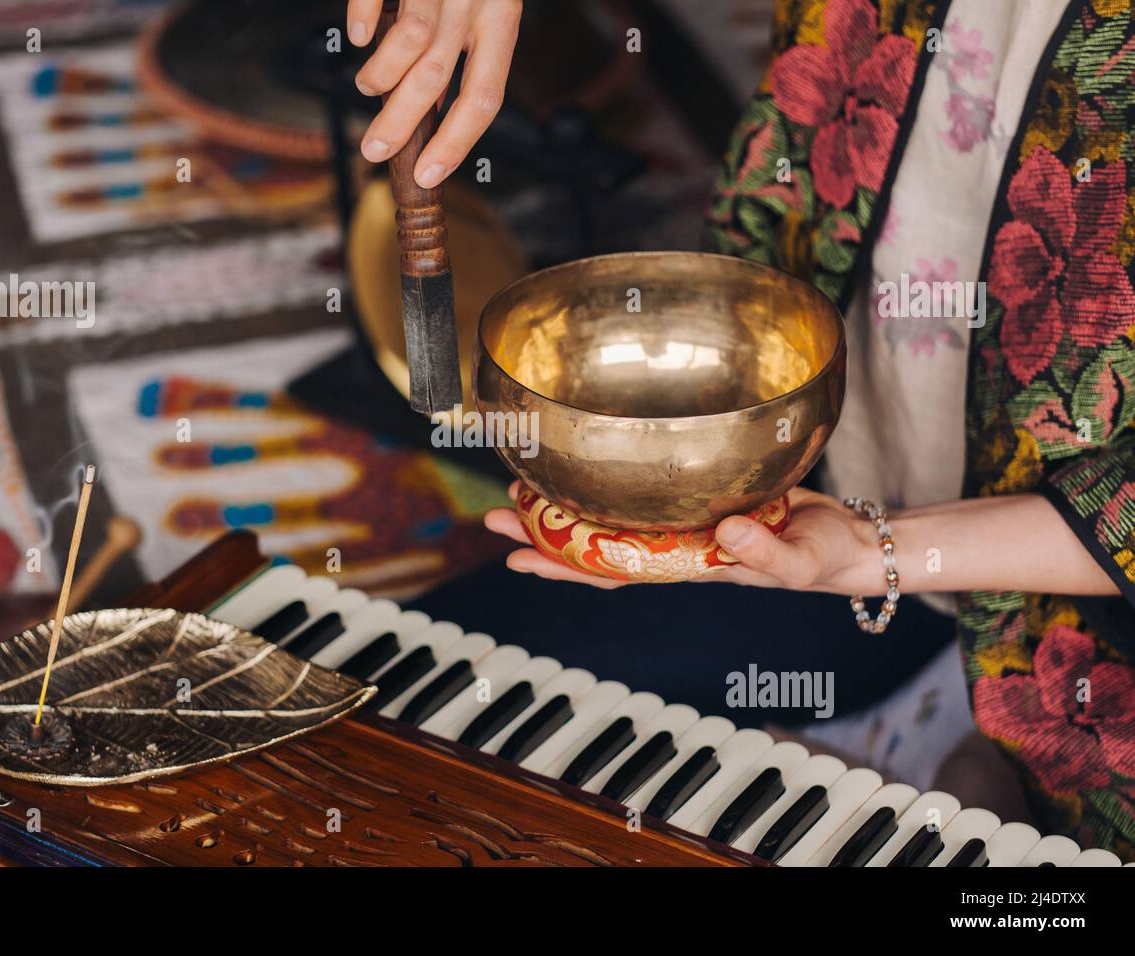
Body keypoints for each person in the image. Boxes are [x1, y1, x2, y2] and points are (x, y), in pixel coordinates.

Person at [350, 0, 1135, 858]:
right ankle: (920, 746)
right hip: (813, 504)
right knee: (383, 699)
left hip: (1075, 642)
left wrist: (873, 553)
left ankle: (970, 776)